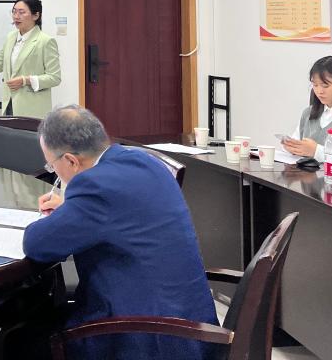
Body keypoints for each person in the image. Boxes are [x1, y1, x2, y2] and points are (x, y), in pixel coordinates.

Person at [22, 106, 215, 360]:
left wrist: (68, 211)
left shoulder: (95, 186)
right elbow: (119, 212)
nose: (54, 171)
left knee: (24, 339)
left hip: (145, 338)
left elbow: (36, 243)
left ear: (70, 160)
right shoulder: (144, 161)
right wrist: (71, 209)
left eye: (51, 165)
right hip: (195, 328)